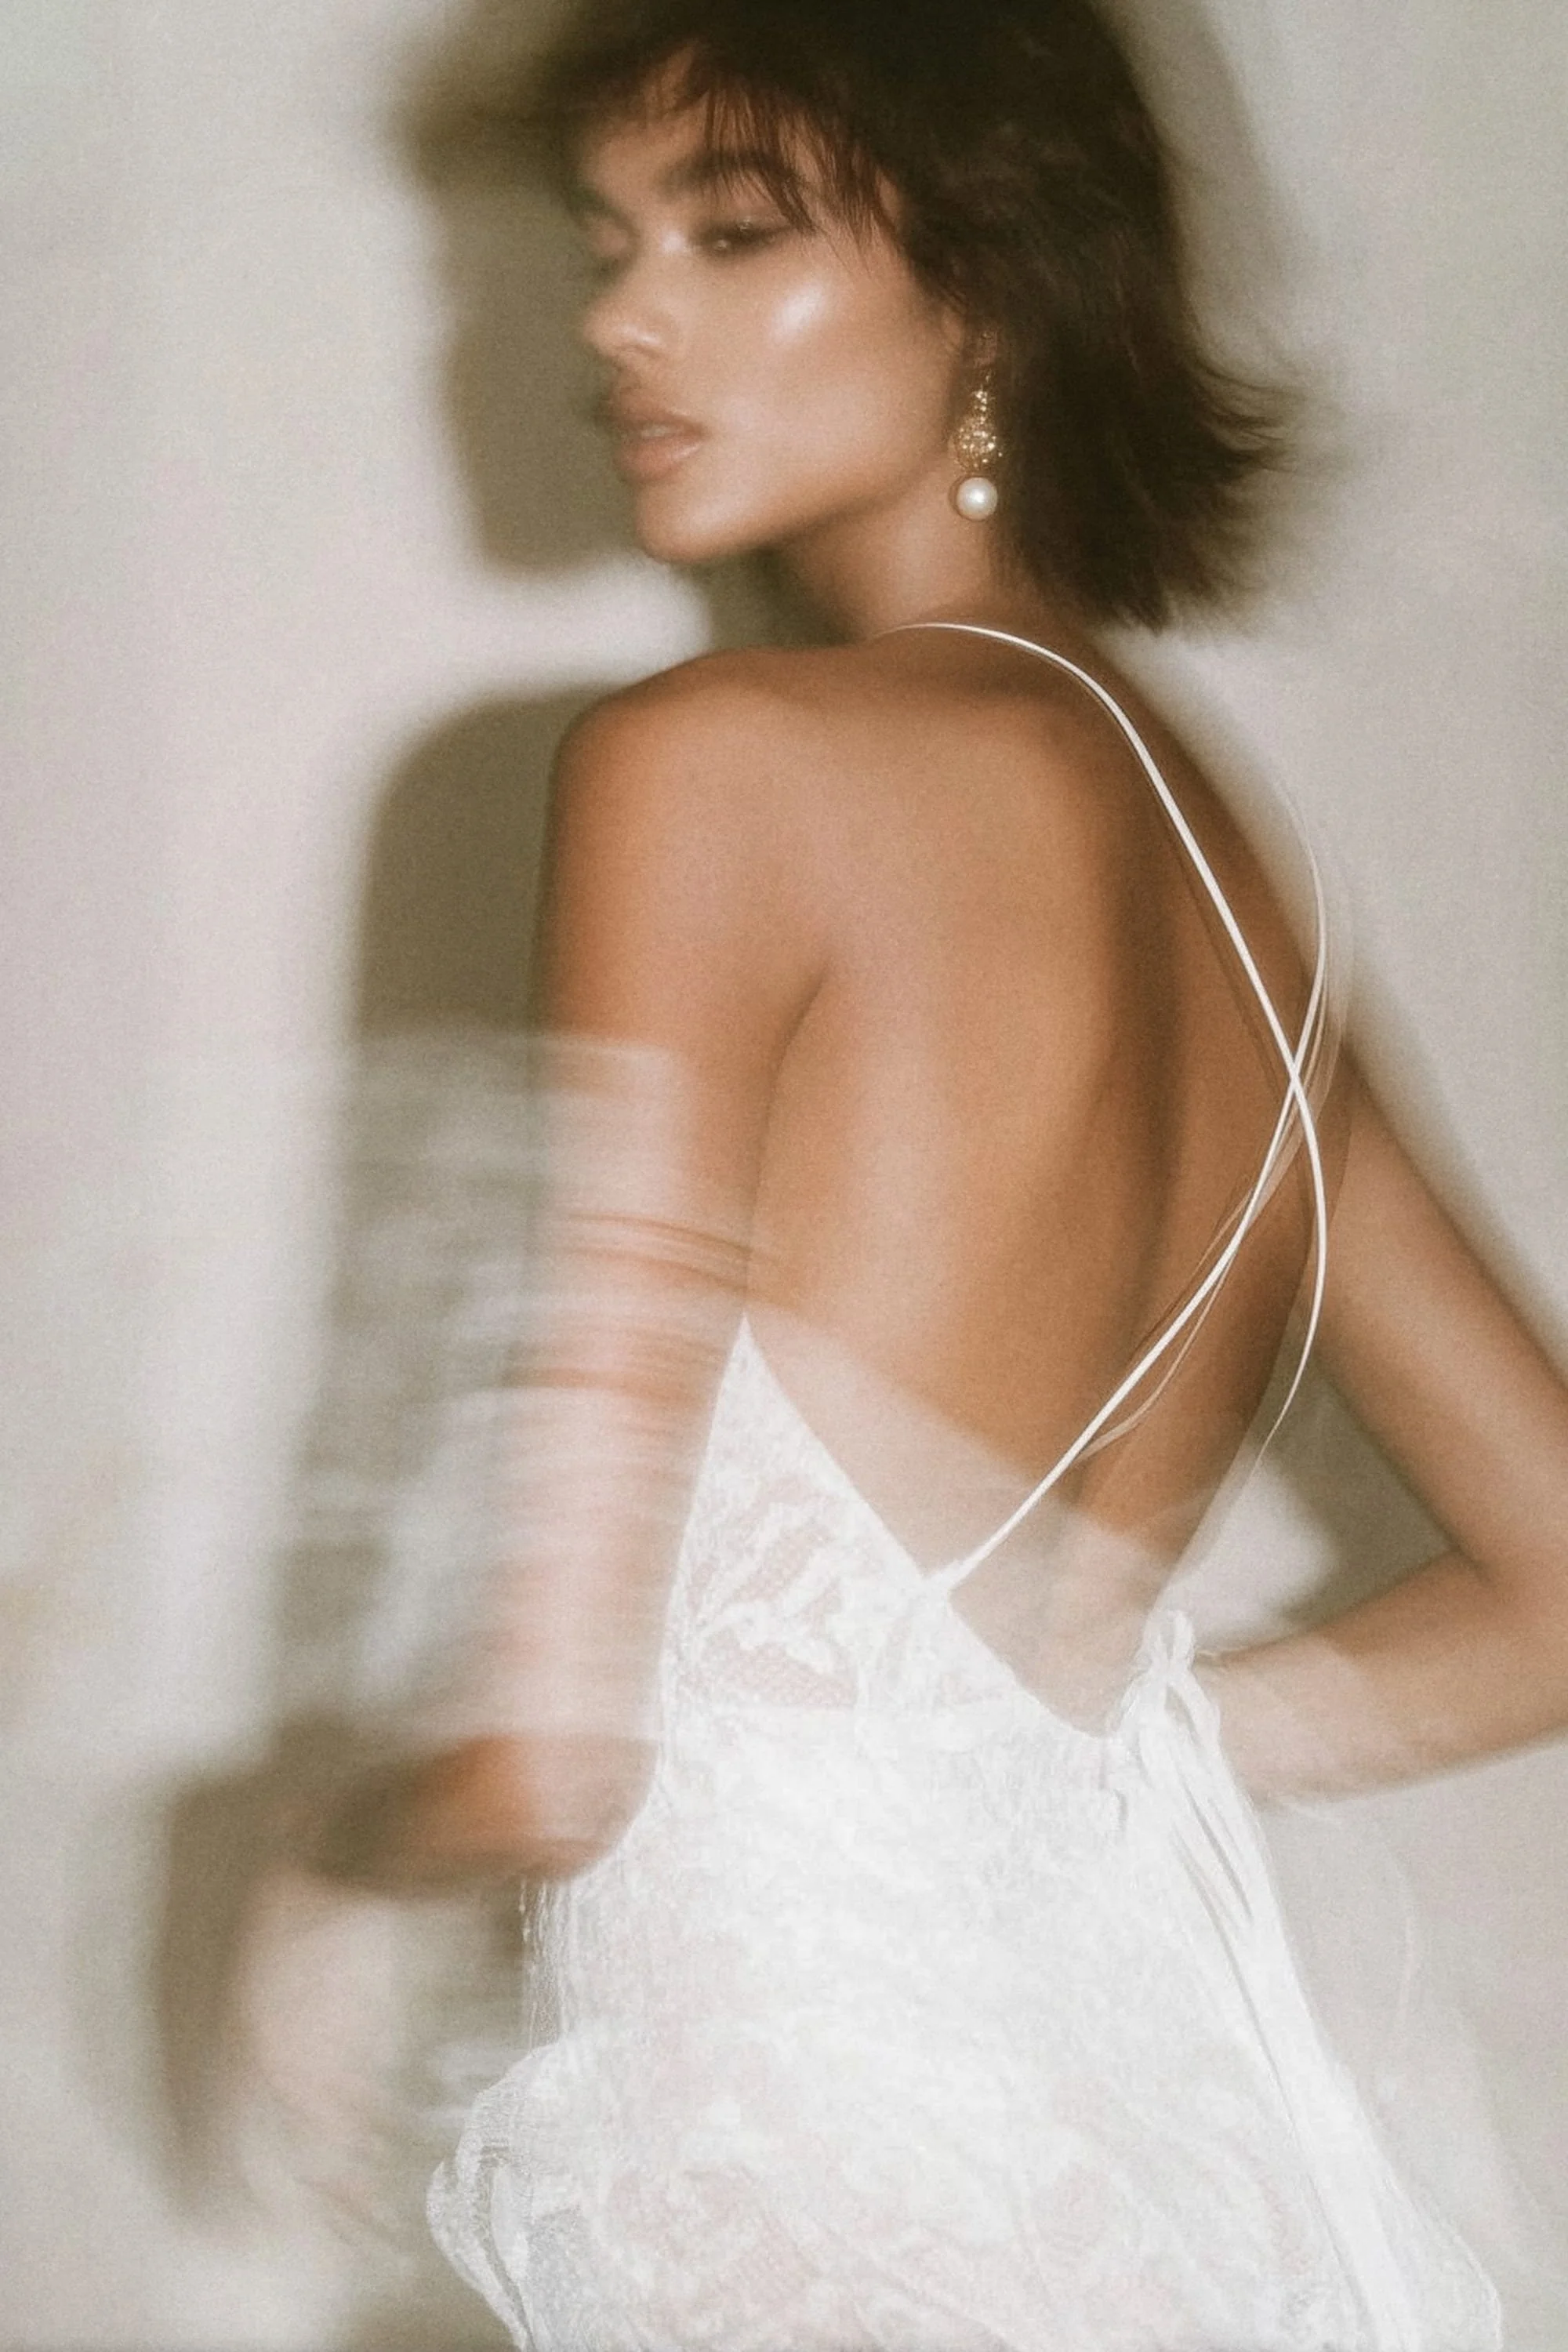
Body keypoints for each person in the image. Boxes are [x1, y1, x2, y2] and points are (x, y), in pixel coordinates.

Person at [299, 1, 1568, 2343]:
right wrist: (1047, 1760)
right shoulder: (1248, 895)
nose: (617, 315)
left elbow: (547, 1743)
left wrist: (313, 1869)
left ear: (990, 278)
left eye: (734, 227)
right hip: (1127, 2139)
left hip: (815, 2174)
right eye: (608, 241)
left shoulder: (717, 766)